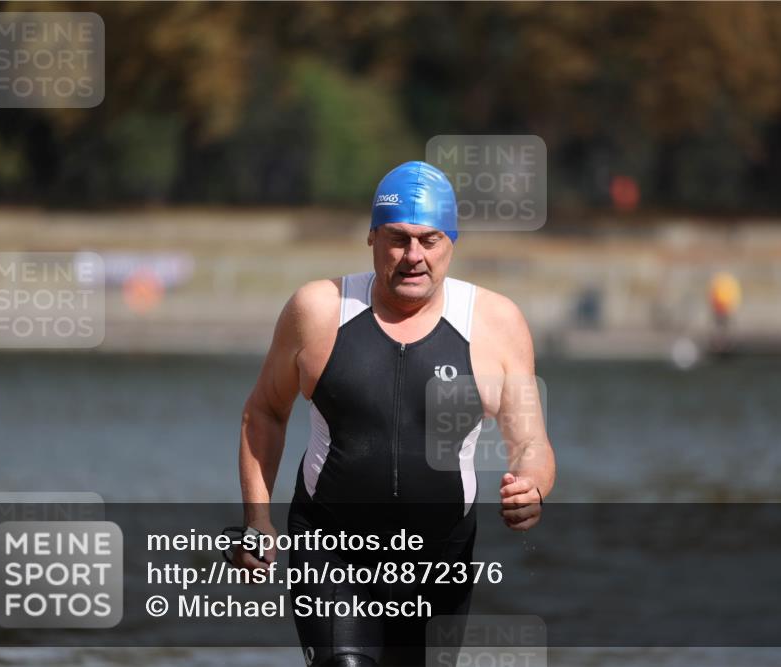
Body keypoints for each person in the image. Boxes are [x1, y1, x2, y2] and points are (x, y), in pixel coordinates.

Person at [235, 161, 556, 666]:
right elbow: (264, 414)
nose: (413, 257)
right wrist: (258, 517)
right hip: (332, 549)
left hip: (439, 559)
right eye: (397, 239)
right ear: (371, 238)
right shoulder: (320, 310)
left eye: (429, 240)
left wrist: (532, 487)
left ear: (452, 241)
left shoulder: (495, 323)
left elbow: (531, 443)